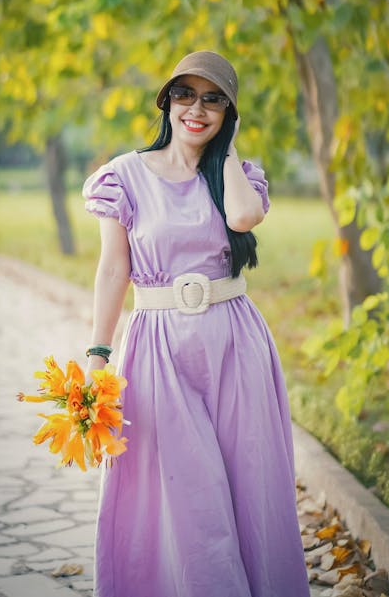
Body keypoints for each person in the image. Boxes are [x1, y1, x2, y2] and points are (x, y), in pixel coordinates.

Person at [82, 50, 310, 597]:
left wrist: (225, 151)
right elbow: (114, 269)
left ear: (229, 112)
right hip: (158, 348)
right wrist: (97, 356)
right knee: (191, 500)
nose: (196, 109)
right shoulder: (124, 176)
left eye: (213, 99)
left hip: (235, 343)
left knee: (250, 488)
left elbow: (242, 218)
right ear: (166, 102)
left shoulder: (238, 177)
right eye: (184, 94)